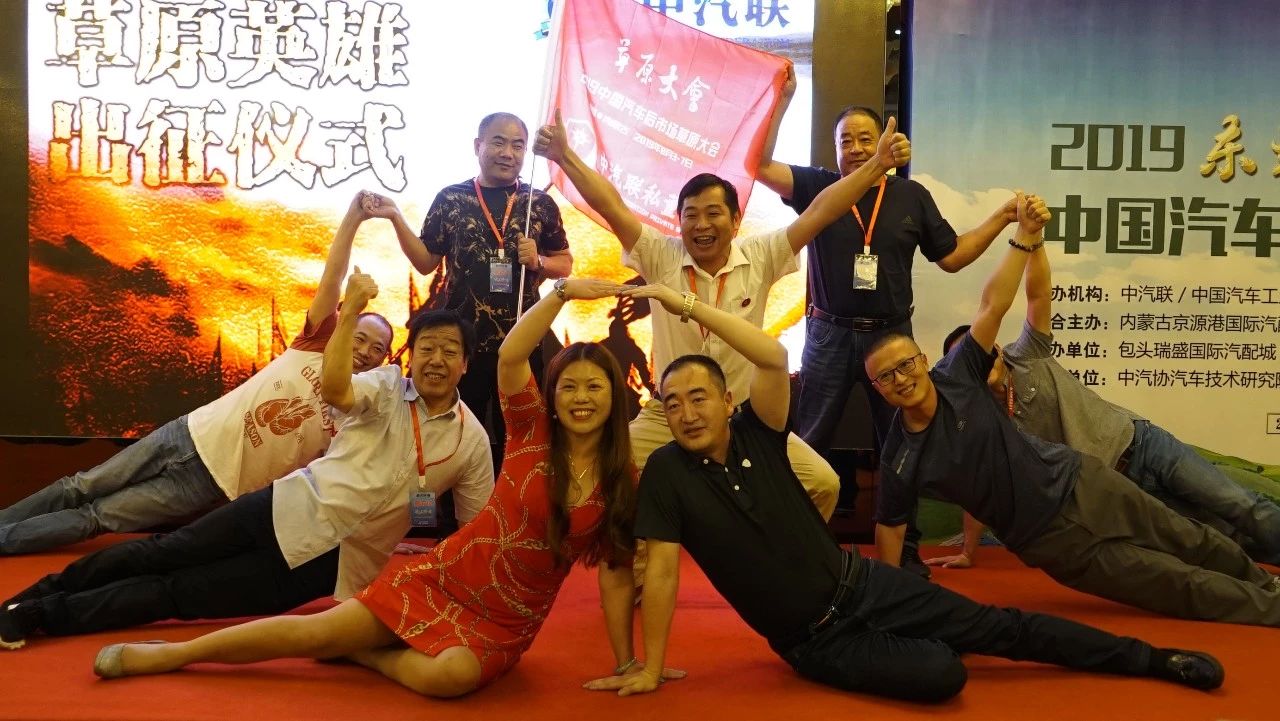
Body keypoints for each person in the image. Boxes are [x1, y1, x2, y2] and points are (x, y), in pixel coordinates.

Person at [581, 281, 1224, 702]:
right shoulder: (666, 473)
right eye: (672, 402)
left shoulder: (759, 430)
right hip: (817, 641)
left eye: (699, 397)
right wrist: (648, 663)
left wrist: (684, 305)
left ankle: (1153, 659)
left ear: (727, 401)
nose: (687, 412)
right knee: (945, 674)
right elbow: (660, 571)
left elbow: (772, 357)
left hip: (861, 584)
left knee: (1001, 627)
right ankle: (933, 640)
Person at [85, 278, 683, 699]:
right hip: (446, 576)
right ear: (551, 395)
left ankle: (363, 651)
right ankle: (172, 654)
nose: (581, 398)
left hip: (508, 620)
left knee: (451, 679)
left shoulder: (624, 480)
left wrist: (632, 661)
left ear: (616, 396)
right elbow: (511, 355)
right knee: (311, 630)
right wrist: (561, 292)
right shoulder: (531, 434)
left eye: (595, 387)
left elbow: (616, 572)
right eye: (569, 386)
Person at [0, 288, 494, 650]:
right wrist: (349, 315)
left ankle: (45, 615)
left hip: (334, 565)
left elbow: (476, 529)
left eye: (450, 351)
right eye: (427, 348)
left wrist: (458, 601)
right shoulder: (384, 386)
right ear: (411, 357)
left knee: (177, 596)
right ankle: (41, 595)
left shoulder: (471, 442)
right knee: (163, 552)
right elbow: (337, 390)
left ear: (466, 364)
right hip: (283, 507)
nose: (436, 360)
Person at [867, 194, 1280, 626]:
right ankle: (1272, 608)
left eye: (906, 365)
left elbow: (995, 304)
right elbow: (891, 528)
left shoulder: (959, 374)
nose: (901, 379)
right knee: (1171, 583)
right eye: (886, 376)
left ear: (923, 361)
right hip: (1047, 542)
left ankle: (1266, 582)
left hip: (1085, 482)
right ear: (876, 388)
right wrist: (887, 604)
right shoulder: (899, 457)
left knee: (1189, 537)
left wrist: (1025, 237)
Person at [533, 106, 911, 523]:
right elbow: (611, 205)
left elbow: (823, 210)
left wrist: (877, 166)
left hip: (741, 418)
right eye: (691, 215)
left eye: (713, 214)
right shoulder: (660, 255)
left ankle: (780, 557)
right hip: (666, 413)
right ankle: (634, 555)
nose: (701, 225)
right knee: (603, 476)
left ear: (735, 220)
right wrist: (564, 156)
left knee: (822, 482)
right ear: (678, 221)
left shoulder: (762, 254)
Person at [0, 191, 396, 556]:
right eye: (360, 338)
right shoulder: (316, 343)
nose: (365, 351)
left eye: (377, 349)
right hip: (188, 433)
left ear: (385, 360)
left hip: (207, 485)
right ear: (345, 326)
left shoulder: (358, 410)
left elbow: (345, 482)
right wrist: (353, 217)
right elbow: (332, 277)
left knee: (97, 517)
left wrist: (379, 540)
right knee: (80, 485)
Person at [755, 68, 1018, 572]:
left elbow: (953, 256)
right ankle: (796, 553)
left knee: (904, 441)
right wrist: (781, 101)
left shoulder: (910, 196)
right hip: (828, 335)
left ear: (885, 141)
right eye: (846, 141)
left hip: (892, 338)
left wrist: (1001, 218)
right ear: (834, 149)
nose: (856, 149)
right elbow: (761, 166)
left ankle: (905, 555)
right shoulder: (819, 186)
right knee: (808, 442)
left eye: (866, 139)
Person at [931, 240, 1280, 567]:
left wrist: (1034, 241)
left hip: (1143, 445)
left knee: (1240, 504)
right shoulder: (985, 420)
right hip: (1119, 490)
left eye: (981, 352)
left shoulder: (1026, 355)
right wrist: (967, 552)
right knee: (1213, 535)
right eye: (967, 361)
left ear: (996, 348)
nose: (980, 364)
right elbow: (980, 488)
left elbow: (1039, 295)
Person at [391, 111, 572, 470]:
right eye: (498, 142)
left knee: (518, 432)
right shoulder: (451, 199)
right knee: (456, 429)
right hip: (462, 343)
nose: (508, 153)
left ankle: (514, 498)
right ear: (478, 146)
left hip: (522, 341)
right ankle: (452, 500)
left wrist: (539, 261)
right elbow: (426, 261)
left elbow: (564, 264)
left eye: (518, 145)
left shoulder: (539, 203)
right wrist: (396, 217)